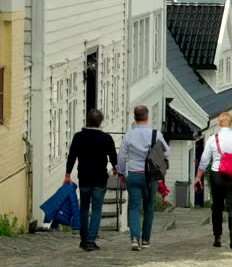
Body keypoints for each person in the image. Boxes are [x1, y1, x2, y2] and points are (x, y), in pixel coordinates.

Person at [191, 112, 232, 250]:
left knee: (217, 207)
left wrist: (198, 177)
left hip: (217, 175)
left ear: (219, 124)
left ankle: (217, 237)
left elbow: (204, 160)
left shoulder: (213, 139)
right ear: (231, 123)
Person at [116, 105, 170, 251]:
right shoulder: (155, 134)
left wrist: (121, 172)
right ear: (147, 117)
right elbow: (167, 152)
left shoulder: (129, 135)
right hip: (150, 177)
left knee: (133, 207)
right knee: (149, 208)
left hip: (133, 175)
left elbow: (121, 156)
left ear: (135, 117)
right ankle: (145, 240)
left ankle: (134, 238)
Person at [65, 109, 118, 252]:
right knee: (96, 209)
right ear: (100, 122)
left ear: (87, 120)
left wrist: (68, 174)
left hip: (84, 178)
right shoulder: (106, 138)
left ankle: (83, 239)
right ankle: (90, 240)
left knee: (84, 207)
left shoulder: (78, 137)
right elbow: (114, 158)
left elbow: (71, 157)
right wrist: (118, 170)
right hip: (100, 179)